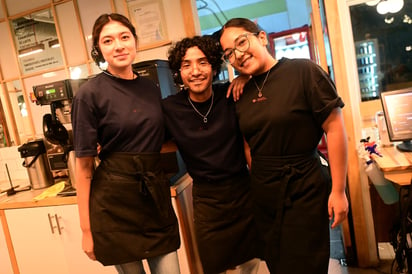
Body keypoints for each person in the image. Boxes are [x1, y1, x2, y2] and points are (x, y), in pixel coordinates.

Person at [219, 18, 349, 274]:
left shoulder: (304, 72)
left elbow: (335, 129)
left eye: (242, 42)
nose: (238, 55)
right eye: (229, 53)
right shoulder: (240, 92)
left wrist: (339, 190)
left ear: (262, 37)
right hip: (265, 192)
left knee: (307, 264)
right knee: (278, 264)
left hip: (304, 186)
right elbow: (248, 144)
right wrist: (261, 180)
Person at [71, 13, 180, 274]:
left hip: (154, 197)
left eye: (124, 37)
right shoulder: (89, 94)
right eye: (108, 41)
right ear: (99, 49)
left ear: (135, 41)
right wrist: (87, 230)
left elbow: (157, 139)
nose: (118, 45)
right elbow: (84, 168)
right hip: (114, 204)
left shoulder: (151, 88)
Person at [162, 35, 261, 274]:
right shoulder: (170, 108)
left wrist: (245, 76)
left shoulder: (231, 95)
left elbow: (265, 77)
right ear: (178, 72)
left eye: (202, 62)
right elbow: (156, 141)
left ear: (214, 66)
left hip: (243, 193)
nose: (195, 71)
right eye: (186, 65)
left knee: (251, 264)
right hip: (207, 200)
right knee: (215, 265)